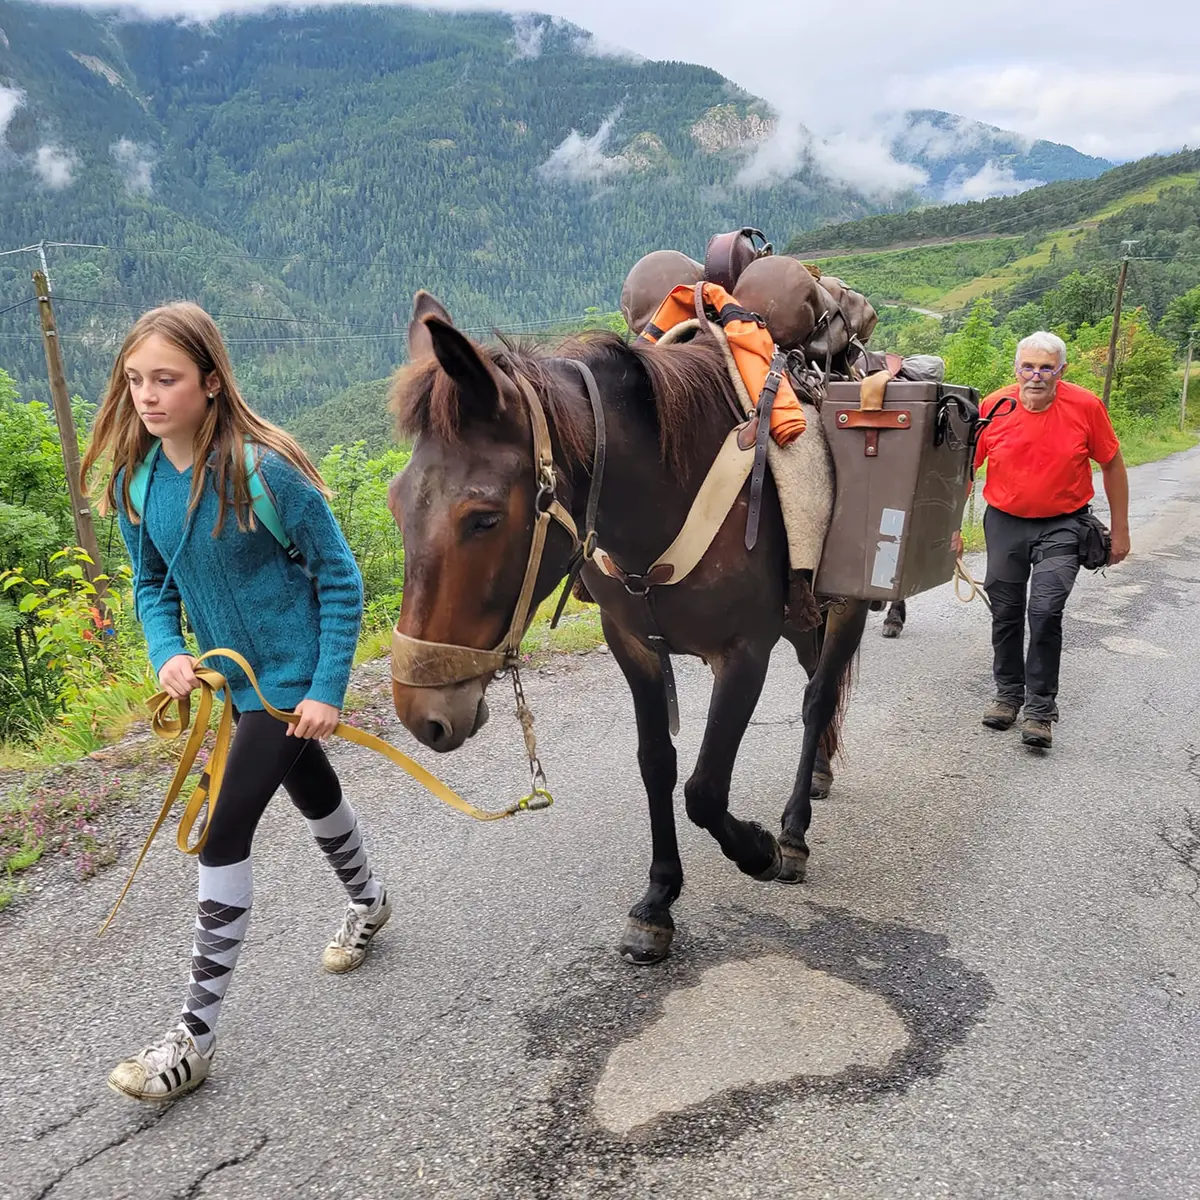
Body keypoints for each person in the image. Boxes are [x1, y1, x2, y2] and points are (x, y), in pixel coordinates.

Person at [81, 302, 389, 1101]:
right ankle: (371, 902)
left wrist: (324, 689)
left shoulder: (265, 469)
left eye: (167, 379)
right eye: (135, 378)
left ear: (212, 382)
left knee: (222, 833)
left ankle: (194, 1037)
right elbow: (151, 585)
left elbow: (340, 578)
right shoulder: (137, 482)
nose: (146, 396)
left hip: (283, 683)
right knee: (315, 791)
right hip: (230, 684)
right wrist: (167, 651)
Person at [953, 331, 1130, 750]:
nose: (1036, 375)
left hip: (1065, 524)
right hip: (1005, 522)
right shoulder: (994, 407)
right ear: (1016, 370)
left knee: (1047, 611)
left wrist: (1120, 530)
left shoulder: (1086, 406)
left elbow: (1112, 464)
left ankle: (1040, 710)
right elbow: (964, 472)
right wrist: (953, 528)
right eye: (1028, 367)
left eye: (1046, 367)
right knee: (1007, 610)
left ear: (1060, 371)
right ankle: (1008, 695)